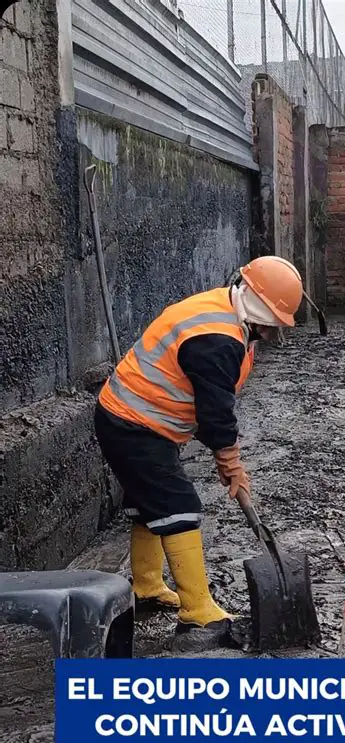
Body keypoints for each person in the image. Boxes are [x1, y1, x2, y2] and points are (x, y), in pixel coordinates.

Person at [94, 255, 303, 640]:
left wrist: (229, 460)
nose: (268, 333)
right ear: (260, 312)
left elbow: (214, 406)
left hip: (135, 419)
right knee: (178, 505)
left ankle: (146, 588)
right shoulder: (217, 340)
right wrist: (231, 462)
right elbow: (216, 414)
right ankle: (197, 611)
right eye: (270, 326)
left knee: (150, 501)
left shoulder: (223, 307)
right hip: (134, 423)